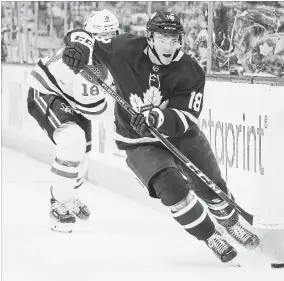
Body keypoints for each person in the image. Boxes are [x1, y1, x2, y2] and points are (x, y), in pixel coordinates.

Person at [61, 10, 260, 262]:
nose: (169, 45)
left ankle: (231, 223)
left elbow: (187, 116)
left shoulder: (191, 70)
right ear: (150, 38)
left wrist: (157, 117)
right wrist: (77, 46)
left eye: (174, 39)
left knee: (210, 183)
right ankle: (210, 236)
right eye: (162, 39)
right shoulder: (124, 48)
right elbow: (85, 38)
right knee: (172, 189)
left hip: (180, 135)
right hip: (137, 140)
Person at [26, 10, 120, 233]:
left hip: (75, 99)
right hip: (47, 91)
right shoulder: (84, 60)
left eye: (111, 35)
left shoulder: (116, 55)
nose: (106, 41)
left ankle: (70, 196)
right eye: (100, 36)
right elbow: (94, 110)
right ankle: (58, 202)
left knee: (83, 158)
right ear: (91, 37)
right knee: (72, 141)